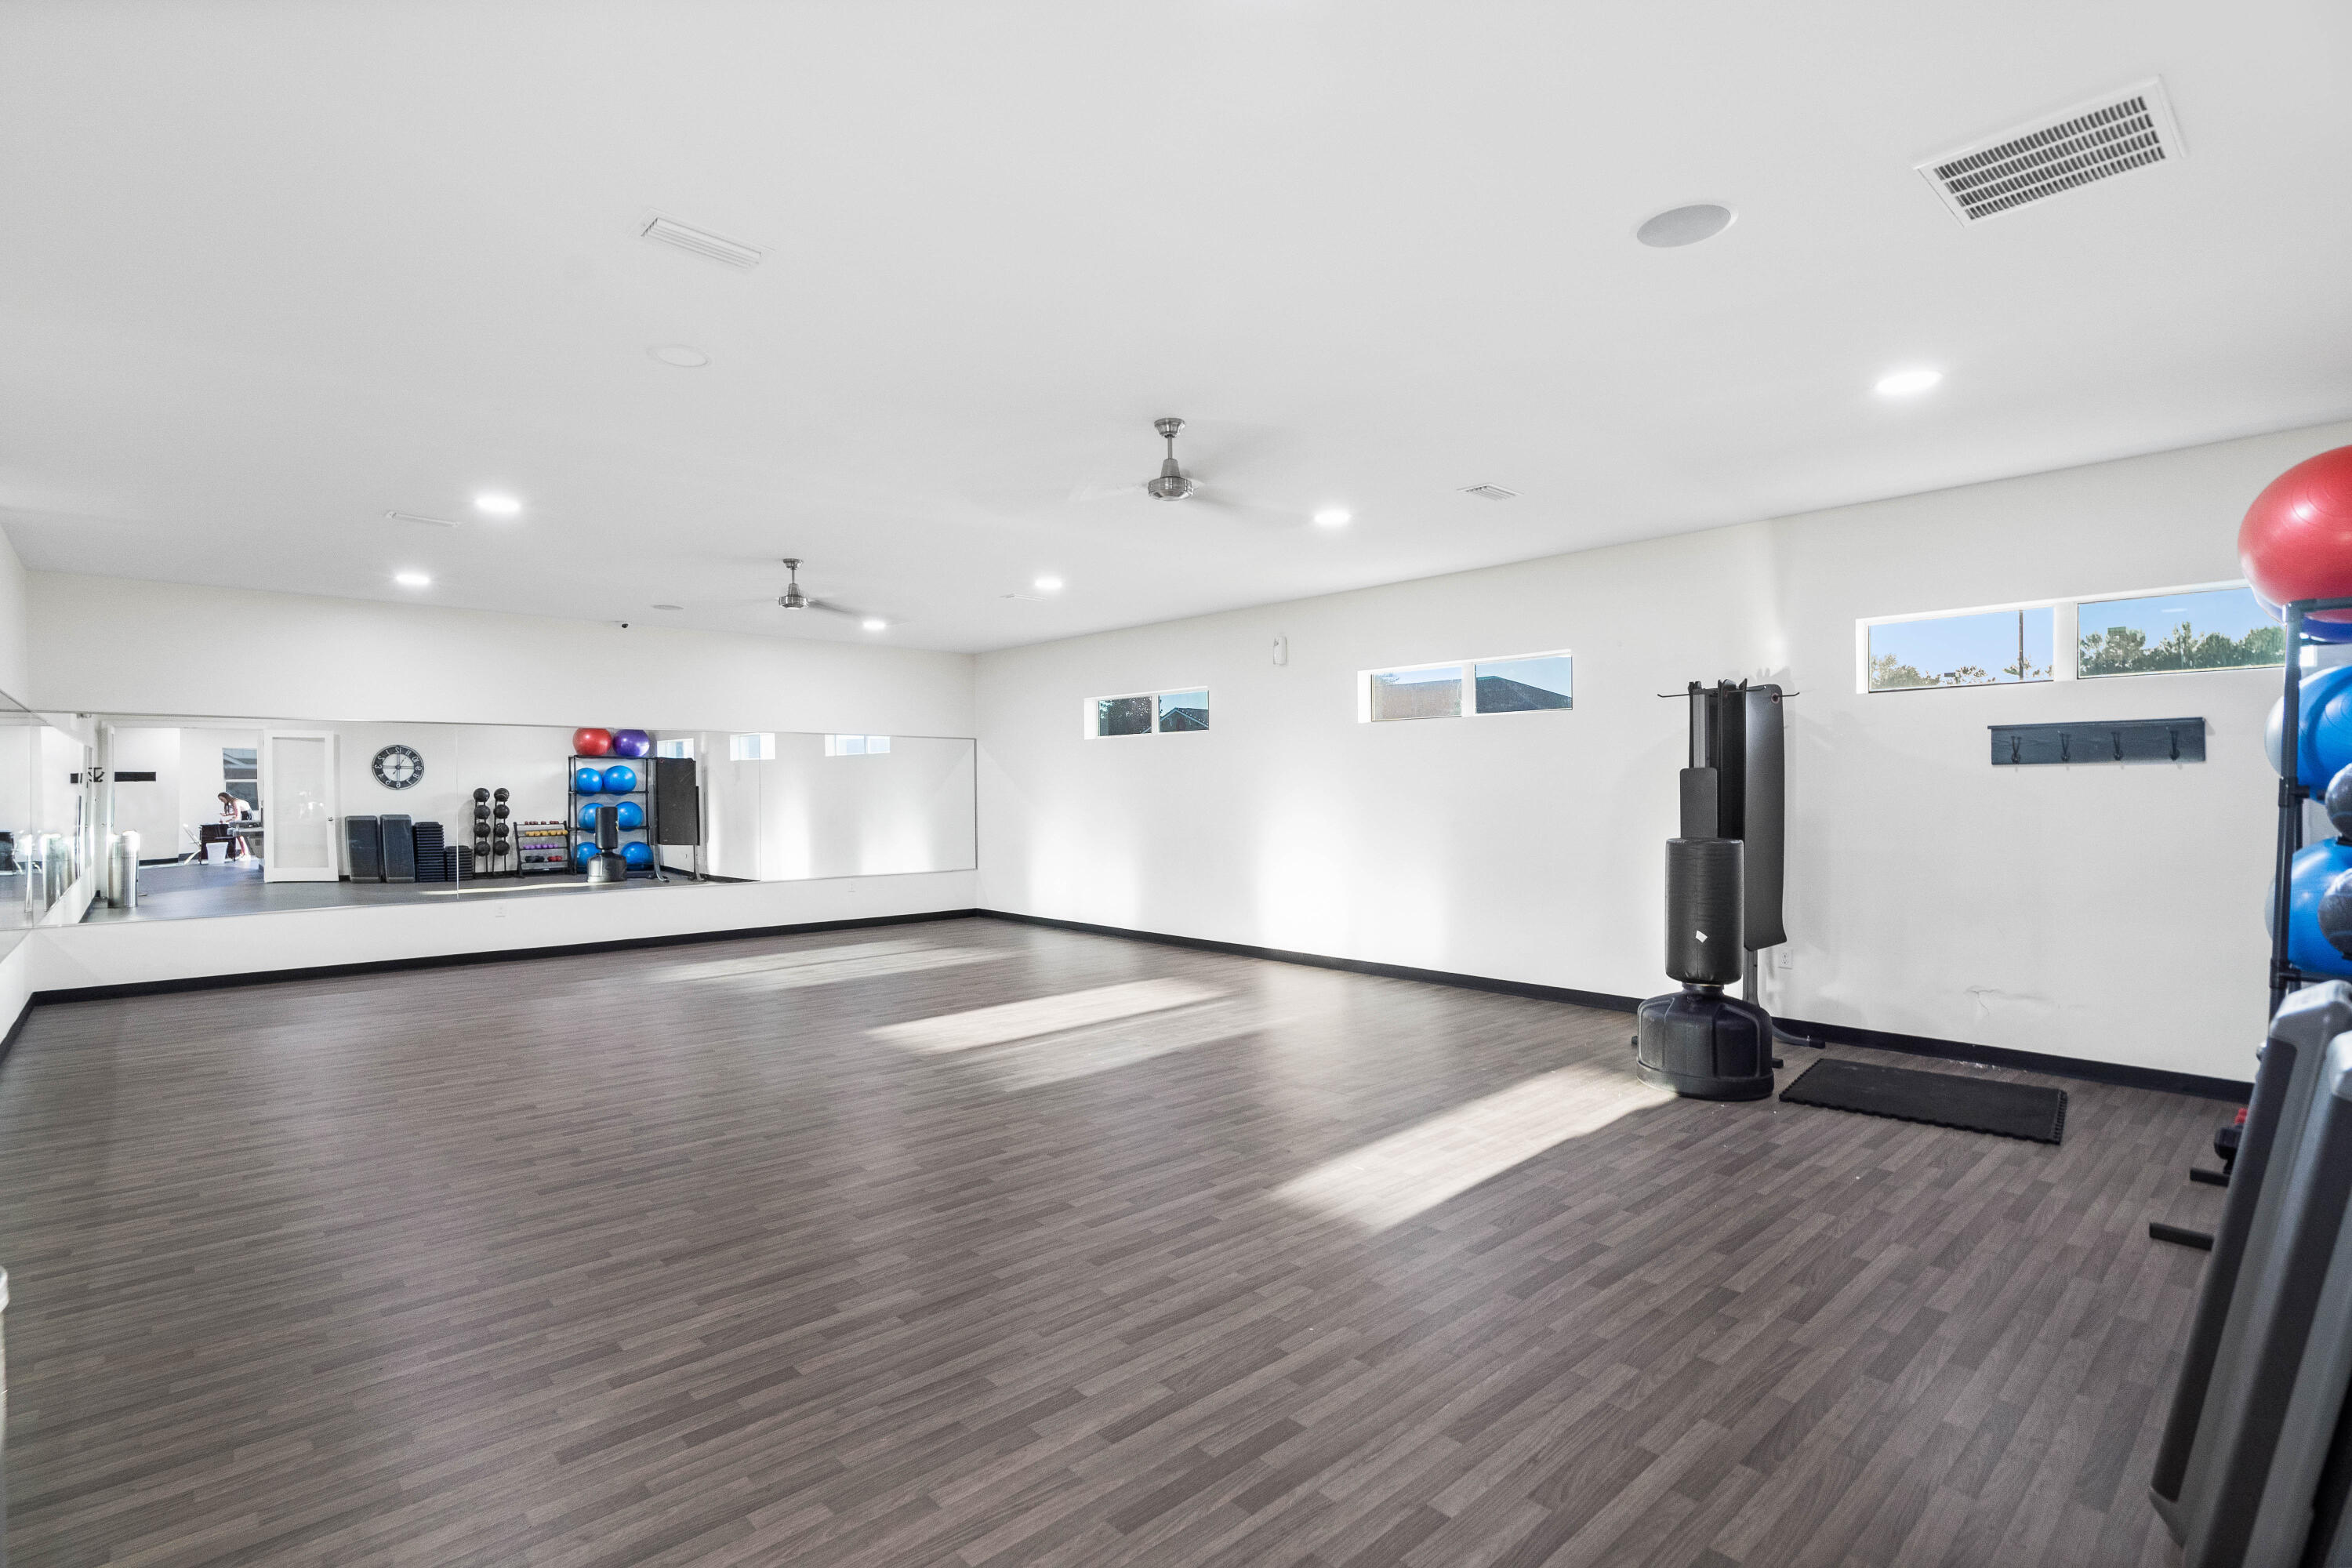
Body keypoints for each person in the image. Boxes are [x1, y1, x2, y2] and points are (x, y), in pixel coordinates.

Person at [217, 791, 256, 860]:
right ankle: (243, 853)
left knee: (241, 836)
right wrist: (227, 815)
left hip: (247, 818)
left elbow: (237, 816)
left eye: (222, 799)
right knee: (240, 836)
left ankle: (246, 854)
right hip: (246, 816)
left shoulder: (235, 802)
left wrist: (228, 821)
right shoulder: (233, 802)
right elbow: (237, 812)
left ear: (226, 797)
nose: (221, 801)